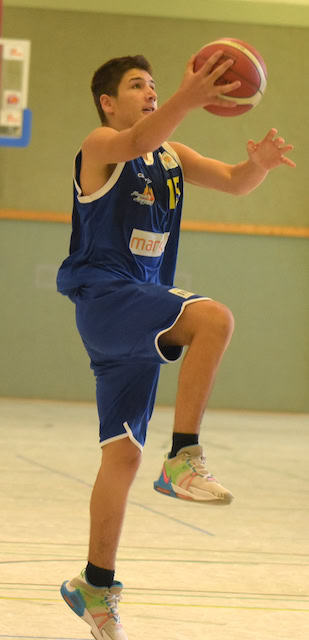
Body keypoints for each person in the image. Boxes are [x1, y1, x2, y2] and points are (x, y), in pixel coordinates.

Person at [57, 51, 295, 640]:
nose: (152, 91)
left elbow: (236, 183)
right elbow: (141, 134)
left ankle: (94, 583)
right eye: (138, 85)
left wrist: (258, 165)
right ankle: (184, 456)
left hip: (138, 312)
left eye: (155, 85)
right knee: (213, 319)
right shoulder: (102, 144)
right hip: (108, 299)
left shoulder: (173, 157)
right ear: (109, 102)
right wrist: (191, 96)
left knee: (122, 455)